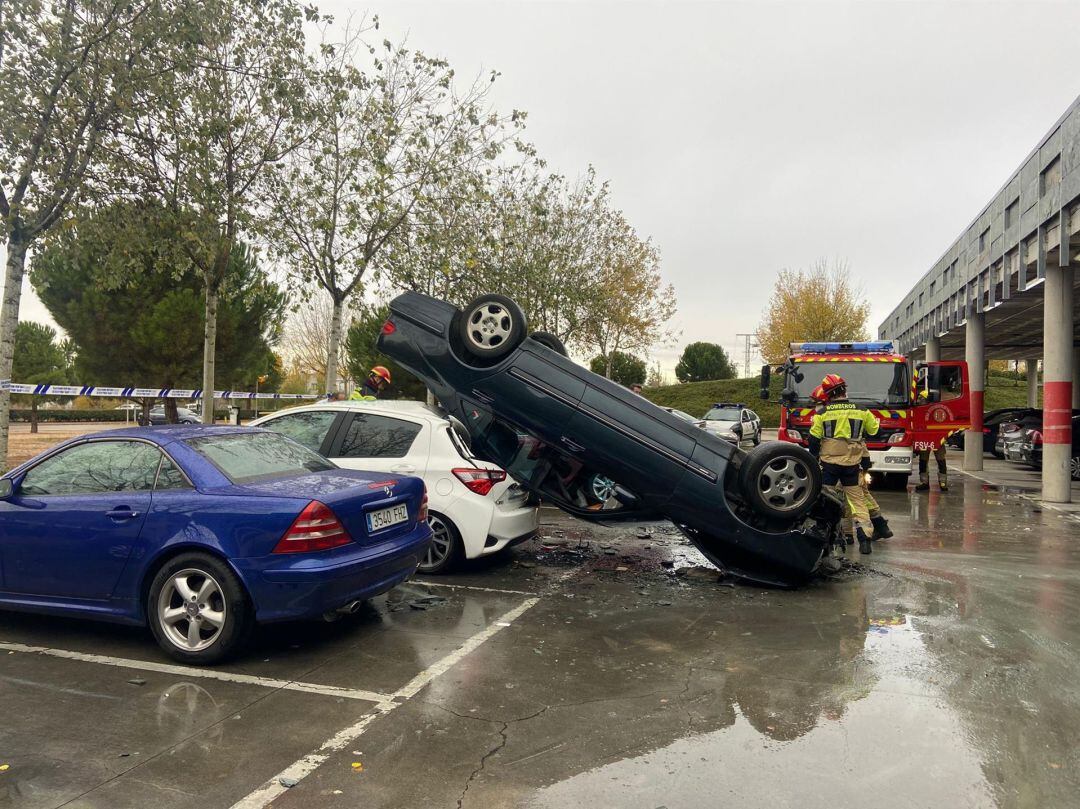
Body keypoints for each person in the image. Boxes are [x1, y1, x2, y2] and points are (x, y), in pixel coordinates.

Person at [807, 374, 880, 555]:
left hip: (829, 465)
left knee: (826, 499)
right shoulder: (862, 411)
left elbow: (813, 439)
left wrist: (813, 457)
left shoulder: (822, 414)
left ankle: (824, 532)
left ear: (827, 395)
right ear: (844, 390)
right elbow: (874, 431)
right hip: (852, 465)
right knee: (857, 502)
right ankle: (865, 541)